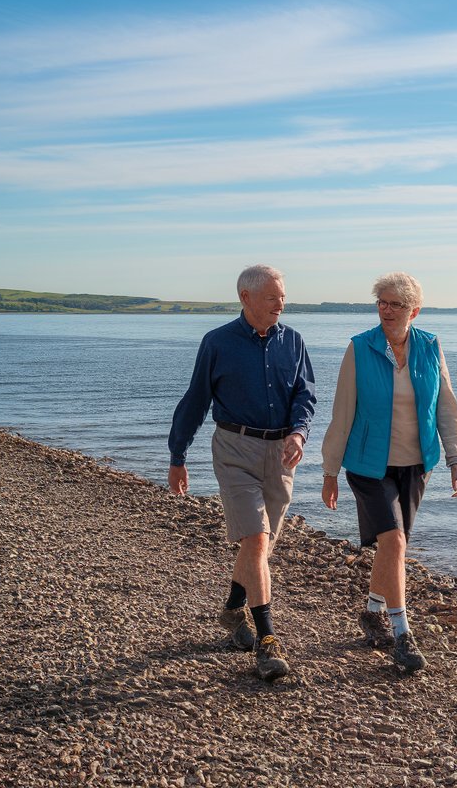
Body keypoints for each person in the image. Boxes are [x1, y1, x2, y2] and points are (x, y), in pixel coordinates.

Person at [167, 264, 316, 681]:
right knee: (256, 537)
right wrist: (178, 456)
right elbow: (195, 400)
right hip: (234, 448)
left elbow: (306, 395)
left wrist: (301, 434)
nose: (281, 304)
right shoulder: (218, 343)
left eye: (283, 296)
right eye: (272, 297)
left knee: (261, 548)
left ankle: (233, 610)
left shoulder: (295, 342)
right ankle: (268, 642)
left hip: (282, 452)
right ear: (246, 298)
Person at [320, 272, 457, 674]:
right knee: (395, 541)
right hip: (368, 465)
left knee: (392, 546)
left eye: (395, 304)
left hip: (417, 465)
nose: (386, 310)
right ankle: (402, 633)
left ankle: (370, 611)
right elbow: (343, 412)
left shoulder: (430, 347)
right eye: (381, 303)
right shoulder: (359, 348)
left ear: (413, 311)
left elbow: (445, 407)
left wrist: (456, 459)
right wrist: (330, 470)